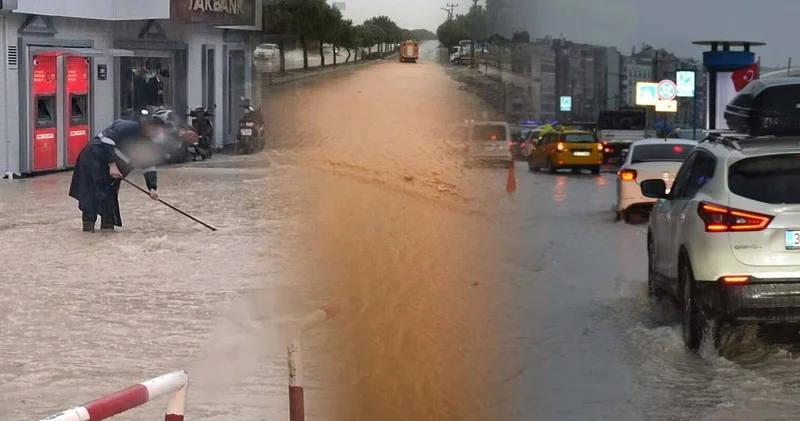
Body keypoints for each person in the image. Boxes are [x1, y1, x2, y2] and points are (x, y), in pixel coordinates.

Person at [69, 117, 166, 232]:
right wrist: (112, 165)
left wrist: (152, 187)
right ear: (149, 126)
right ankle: (88, 231)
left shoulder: (148, 143)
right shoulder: (127, 126)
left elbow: (148, 165)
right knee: (92, 195)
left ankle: (107, 232)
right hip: (94, 159)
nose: (156, 135)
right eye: (156, 131)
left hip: (112, 169)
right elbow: (107, 140)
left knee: (110, 199)